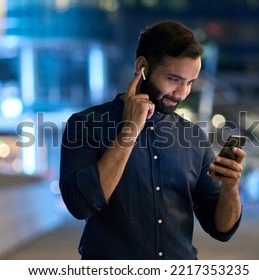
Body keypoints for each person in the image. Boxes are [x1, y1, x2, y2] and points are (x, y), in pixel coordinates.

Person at [59, 20, 246, 260]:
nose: (182, 93)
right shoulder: (86, 124)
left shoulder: (193, 137)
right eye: (174, 79)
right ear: (142, 67)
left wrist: (230, 187)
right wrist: (130, 130)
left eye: (190, 83)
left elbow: (221, 229)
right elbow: (80, 205)